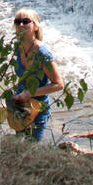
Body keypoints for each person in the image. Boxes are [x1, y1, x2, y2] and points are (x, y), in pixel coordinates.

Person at [10, 9, 64, 142]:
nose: (21, 25)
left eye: (26, 21)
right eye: (18, 22)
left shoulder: (42, 53)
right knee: (18, 147)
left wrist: (30, 93)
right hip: (20, 106)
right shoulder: (17, 47)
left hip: (38, 109)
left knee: (31, 149)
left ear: (35, 26)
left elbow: (58, 84)